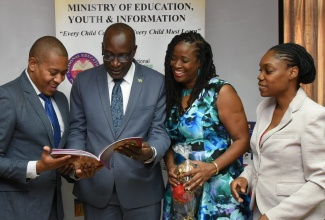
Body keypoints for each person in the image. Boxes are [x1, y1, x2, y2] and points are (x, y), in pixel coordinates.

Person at [66, 22, 170, 220]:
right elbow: (77, 130)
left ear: (134, 51)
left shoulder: (156, 82)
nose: (115, 63)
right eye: (108, 55)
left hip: (142, 190)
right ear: (102, 49)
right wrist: (79, 159)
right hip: (96, 189)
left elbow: (160, 131)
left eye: (123, 56)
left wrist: (151, 152)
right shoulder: (83, 81)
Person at [162, 31, 252, 219]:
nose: (177, 65)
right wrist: (170, 166)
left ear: (200, 62)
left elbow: (242, 139)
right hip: (182, 189)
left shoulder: (219, 91)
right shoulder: (171, 93)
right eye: (173, 58)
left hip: (218, 186)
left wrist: (211, 168)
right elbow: (169, 140)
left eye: (184, 60)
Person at [230, 43, 325, 219]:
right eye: (260, 70)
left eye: (269, 71)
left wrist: (274, 216)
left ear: (292, 73)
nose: (260, 77)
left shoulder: (313, 115)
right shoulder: (264, 109)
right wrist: (245, 178)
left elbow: (320, 182)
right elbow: (262, 161)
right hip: (262, 209)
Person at [0, 36, 74, 220]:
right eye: (53, 72)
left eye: (64, 73)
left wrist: (74, 168)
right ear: (33, 64)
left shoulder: (62, 100)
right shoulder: (8, 97)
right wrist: (36, 167)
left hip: (53, 208)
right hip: (18, 209)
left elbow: (57, 153)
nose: (59, 79)